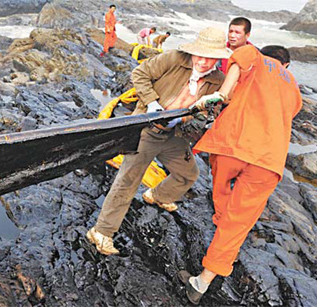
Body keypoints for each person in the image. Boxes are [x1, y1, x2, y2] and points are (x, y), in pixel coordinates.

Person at [87, 27, 230, 256]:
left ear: (218, 58)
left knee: (188, 174)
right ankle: (101, 232)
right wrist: (152, 102)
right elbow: (140, 74)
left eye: (210, 57)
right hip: (146, 129)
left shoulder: (217, 80)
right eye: (200, 55)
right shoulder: (174, 58)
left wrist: (196, 117)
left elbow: (208, 113)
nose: (203, 62)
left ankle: (156, 195)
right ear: (193, 51)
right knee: (127, 181)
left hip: (175, 135)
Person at [178, 45, 302, 304]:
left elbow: (236, 68)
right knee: (240, 221)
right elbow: (290, 112)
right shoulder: (293, 85)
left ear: (266, 53)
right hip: (269, 159)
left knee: (220, 180)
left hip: (233, 143)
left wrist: (222, 94)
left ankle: (221, 213)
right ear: (286, 65)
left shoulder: (254, 56)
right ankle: (201, 283)